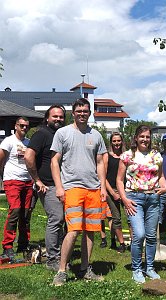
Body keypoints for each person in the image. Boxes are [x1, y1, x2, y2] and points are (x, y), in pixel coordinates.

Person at [51, 98, 107, 286]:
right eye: (79, 111)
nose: (82, 113)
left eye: (85, 111)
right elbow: (54, 161)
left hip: (93, 189)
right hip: (72, 188)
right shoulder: (62, 133)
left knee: (90, 232)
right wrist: (59, 186)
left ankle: (85, 268)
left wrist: (103, 188)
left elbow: (100, 163)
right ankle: (61, 271)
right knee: (74, 230)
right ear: (73, 113)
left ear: (89, 113)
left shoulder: (96, 135)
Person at [116, 125, 166, 284]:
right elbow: (119, 180)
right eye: (142, 136)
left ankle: (150, 268)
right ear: (136, 138)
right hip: (134, 199)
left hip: (152, 199)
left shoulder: (156, 156)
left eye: (147, 137)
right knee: (139, 234)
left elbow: (161, 177)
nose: (145, 139)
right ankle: (137, 269)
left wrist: (165, 187)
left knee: (152, 236)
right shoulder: (127, 155)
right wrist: (124, 199)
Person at [24, 105, 66, 271]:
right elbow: (28, 156)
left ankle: (61, 255)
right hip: (48, 185)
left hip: (63, 185)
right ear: (47, 118)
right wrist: (37, 180)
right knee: (56, 219)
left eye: (61, 117)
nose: (58, 119)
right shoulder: (42, 134)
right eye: (54, 116)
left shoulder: (60, 135)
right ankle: (52, 259)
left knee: (61, 220)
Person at [0, 117, 33, 258]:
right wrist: (3, 176)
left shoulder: (29, 143)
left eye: (26, 126)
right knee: (15, 211)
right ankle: (7, 246)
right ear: (16, 126)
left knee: (25, 214)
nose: (24, 128)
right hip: (12, 180)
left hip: (27, 181)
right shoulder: (8, 141)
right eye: (21, 125)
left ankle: (23, 244)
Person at [103, 132, 126, 252]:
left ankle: (133, 243)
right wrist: (112, 193)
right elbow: (103, 176)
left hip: (125, 189)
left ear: (122, 141)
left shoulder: (126, 156)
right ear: (111, 142)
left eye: (118, 140)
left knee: (130, 218)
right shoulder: (107, 156)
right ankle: (121, 243)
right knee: (116, 217)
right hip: (112, 190)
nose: (116, 143)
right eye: (114, 141)